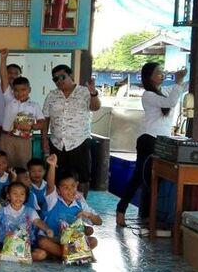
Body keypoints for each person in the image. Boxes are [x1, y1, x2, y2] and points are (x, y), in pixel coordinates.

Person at [115, 63, 187, 231]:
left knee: (154, 179)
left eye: (162, 72)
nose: (162, 75)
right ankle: (121, 209)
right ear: (149, 77)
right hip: (148, 140)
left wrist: (184, 76)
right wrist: (178, 81)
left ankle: (148, 215)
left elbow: (183, 88)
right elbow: (171, 102)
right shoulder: (148, 95)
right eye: (158, 72)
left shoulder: (165, 91)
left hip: (161, 142)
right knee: (140, 177)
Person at [41, 63, 100, 196]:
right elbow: (45, 119)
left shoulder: (84, 92)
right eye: (56, 79)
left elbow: (95, 107)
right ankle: (56, 205)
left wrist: (93, 93)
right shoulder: (51, 95)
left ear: (70, 75)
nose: (59, 81)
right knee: (56, 176)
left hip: (79, 142)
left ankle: (81, 206)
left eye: (62, 77)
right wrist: (44, 140)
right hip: (57, 143)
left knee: (82, 178)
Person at [36, 154, 102, 260]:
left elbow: (99, 221)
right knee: (42, 242)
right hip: (52, 238)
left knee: (93, 241)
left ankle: (60, 254)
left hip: (70, 241)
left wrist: (89, 215)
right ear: (58, 190)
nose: (70, 190)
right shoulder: (53, 200)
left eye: (73, 186)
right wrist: (52, 166)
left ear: (77, 185)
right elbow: (50, 186)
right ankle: (74, 254)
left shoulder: (80, 203)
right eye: (65, 188)